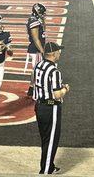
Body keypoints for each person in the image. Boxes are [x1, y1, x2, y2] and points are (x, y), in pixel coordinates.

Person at [33, 41, 69, 175]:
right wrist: (65, 89)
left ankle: (50, 165)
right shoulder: (54, 71)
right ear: (53, 54)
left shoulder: (39, 65)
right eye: (58, 51)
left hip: (39, 106)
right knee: (51, 140)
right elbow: (56, 94)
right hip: (50, 108)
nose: (60, 53)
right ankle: (46, 171)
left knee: (45, 138)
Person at [26, 3, 47, 97]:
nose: (44, 14)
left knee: (36, 69)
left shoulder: (38, 19)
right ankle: (34, 89)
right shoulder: (33, 21)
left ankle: (31, 88)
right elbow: (35, 38)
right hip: (36, 49)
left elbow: (43, 33)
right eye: (42, 13)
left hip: (37, 47)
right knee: (37, 70)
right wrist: (42, 51)